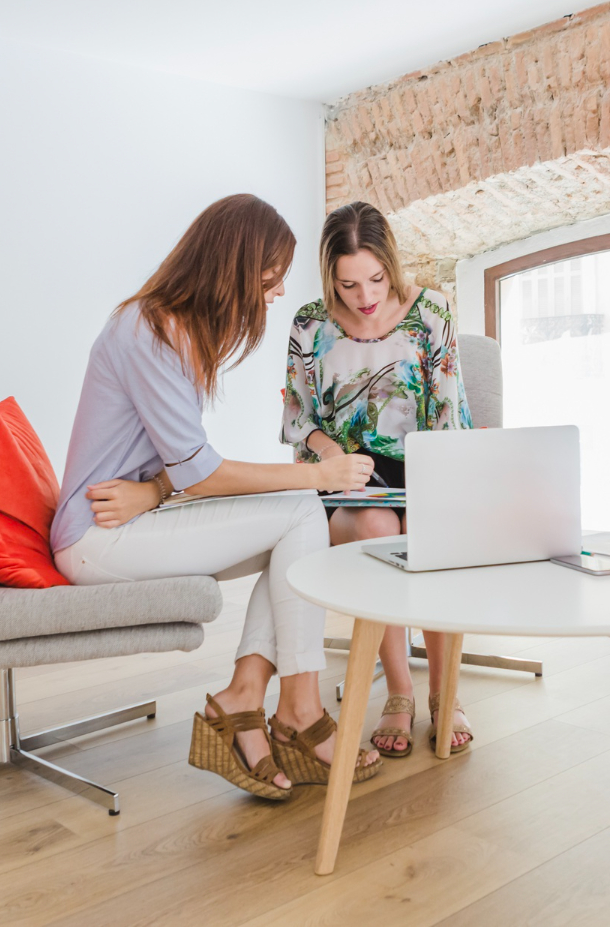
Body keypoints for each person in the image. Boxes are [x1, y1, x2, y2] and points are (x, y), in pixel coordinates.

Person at [50, 194, 381, 801]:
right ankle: (294, 711)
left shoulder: (171, 330)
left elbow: (175, 466)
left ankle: (249, 700)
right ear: (238, 264)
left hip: (128, 522)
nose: (277, 292)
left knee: (294, 534)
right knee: (303, 509)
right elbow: (200, 471)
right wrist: (316, 475)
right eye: (272, 276)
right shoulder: (145, 331)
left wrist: (151, 490)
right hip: (96, 539)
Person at [282, 201, 474, 758]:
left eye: (375, 279)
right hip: (347, 476)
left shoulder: (431, 311)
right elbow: (299, 423)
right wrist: (331, 455)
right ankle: (399, 690)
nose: (364, 298)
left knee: (429, 533)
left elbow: (448, 415)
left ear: (390, 265)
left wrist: (439, 484)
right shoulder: (310, 324)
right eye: (348, 285)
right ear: (329, 277)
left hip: (428, 465)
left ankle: (447, 691)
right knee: (374, 528)